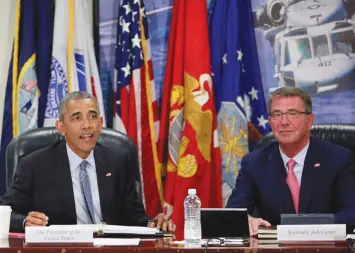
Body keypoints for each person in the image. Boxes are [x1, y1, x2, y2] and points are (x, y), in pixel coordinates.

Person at [0, 91, 175, 232]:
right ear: (61, 128)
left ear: (100, 123)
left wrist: (153, 223)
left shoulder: (118, 160)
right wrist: (25, 221)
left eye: (92, 117)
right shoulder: (34, 165)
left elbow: (133, 216)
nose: (87, 125)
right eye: (77, 118)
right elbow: (5, 213)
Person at [226, 87, 355, 236]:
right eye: (277, 114)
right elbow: (233, 213)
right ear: (270, 121)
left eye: (293, 114)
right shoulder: (254, 162)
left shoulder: (338, 158)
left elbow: (352, 212)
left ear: (310, 121)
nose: (284, 122)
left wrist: (309, 226)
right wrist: (247, 220)